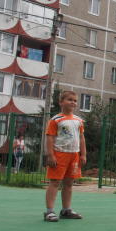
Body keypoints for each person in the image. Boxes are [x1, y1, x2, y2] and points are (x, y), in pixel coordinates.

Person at [44, 90, 86, 222]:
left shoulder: (78, 120)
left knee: (69, 183)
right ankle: (49, 211)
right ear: (61, 102)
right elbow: (50, 137)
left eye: (75, 100)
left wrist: (83, 154)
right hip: (59, 154)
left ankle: (66, 210)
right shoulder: (56, 120)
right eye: (69, 99)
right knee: (55, 182)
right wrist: (51, 155)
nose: (73, 102)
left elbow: (81, 138)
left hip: (74, 155)